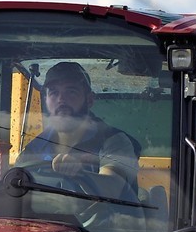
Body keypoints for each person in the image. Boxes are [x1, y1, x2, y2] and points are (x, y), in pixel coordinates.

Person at [16, 60, 139, 199]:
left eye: (71, 92)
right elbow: (13, 193)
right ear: (46, 100)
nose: (61, 100)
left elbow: (112, 188)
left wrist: (81, 175)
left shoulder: (114, 141)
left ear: (90, 100)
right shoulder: (34, 148)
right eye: (54, 93)